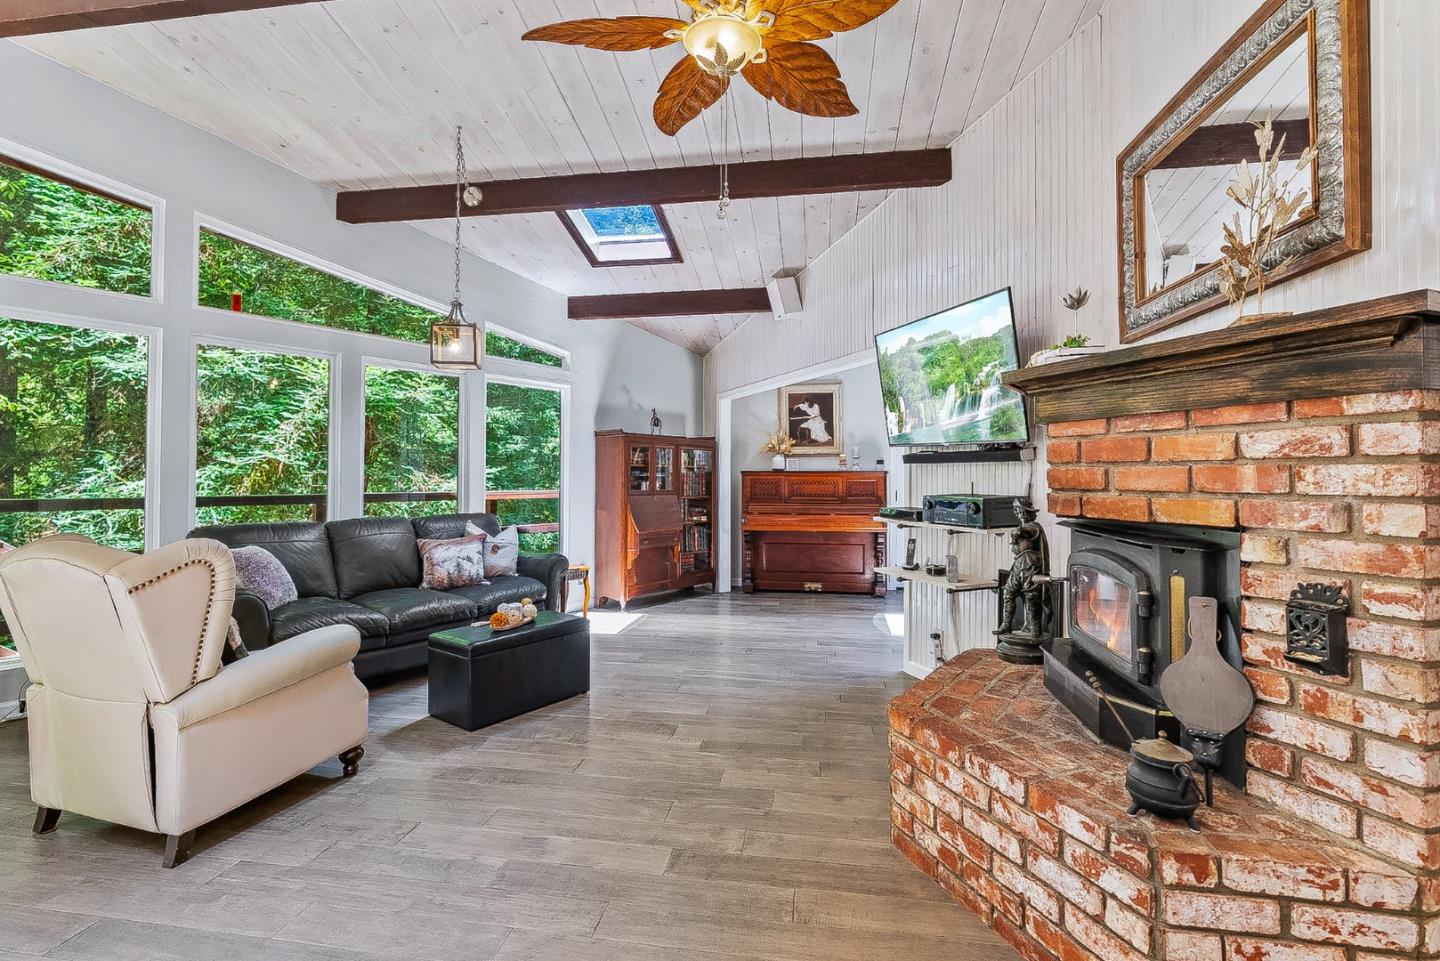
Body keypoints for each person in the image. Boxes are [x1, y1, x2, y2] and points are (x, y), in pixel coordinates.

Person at [995, 498, 1050, 640]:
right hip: (1018, 564)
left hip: (1030, 565)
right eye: (1017, 511)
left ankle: (1035, 628)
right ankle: (1007, 624)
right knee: (1008, 592)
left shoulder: (1034, 527)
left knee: (1031, 595)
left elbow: (1030, 531)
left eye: (1022, 511)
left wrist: (1020, 531)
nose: (1020, 514)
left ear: (1030, 513)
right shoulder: (1021, 527)